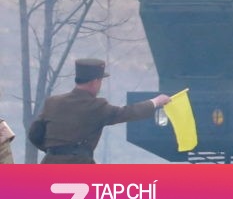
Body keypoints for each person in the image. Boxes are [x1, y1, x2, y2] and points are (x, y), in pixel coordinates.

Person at [29, 58, 171, 164]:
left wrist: (54, 151)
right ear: (95, 81)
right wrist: (155, 102)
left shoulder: (52, 102)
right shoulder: (97, 106)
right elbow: (127, 112)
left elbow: (34, 134)